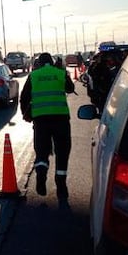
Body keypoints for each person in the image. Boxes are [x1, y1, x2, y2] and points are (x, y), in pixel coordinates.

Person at [19, 52, 75, 197]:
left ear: (38, 63)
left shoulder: (34, 75)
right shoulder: (60, 73)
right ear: (52, 61)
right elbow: (70, 88)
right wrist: (63, 72)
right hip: (61, 119)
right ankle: (61, 185)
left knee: (42, 151)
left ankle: (41, 176)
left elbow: (24, 97)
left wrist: (26, 114)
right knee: (62, 151)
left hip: (41, 120)